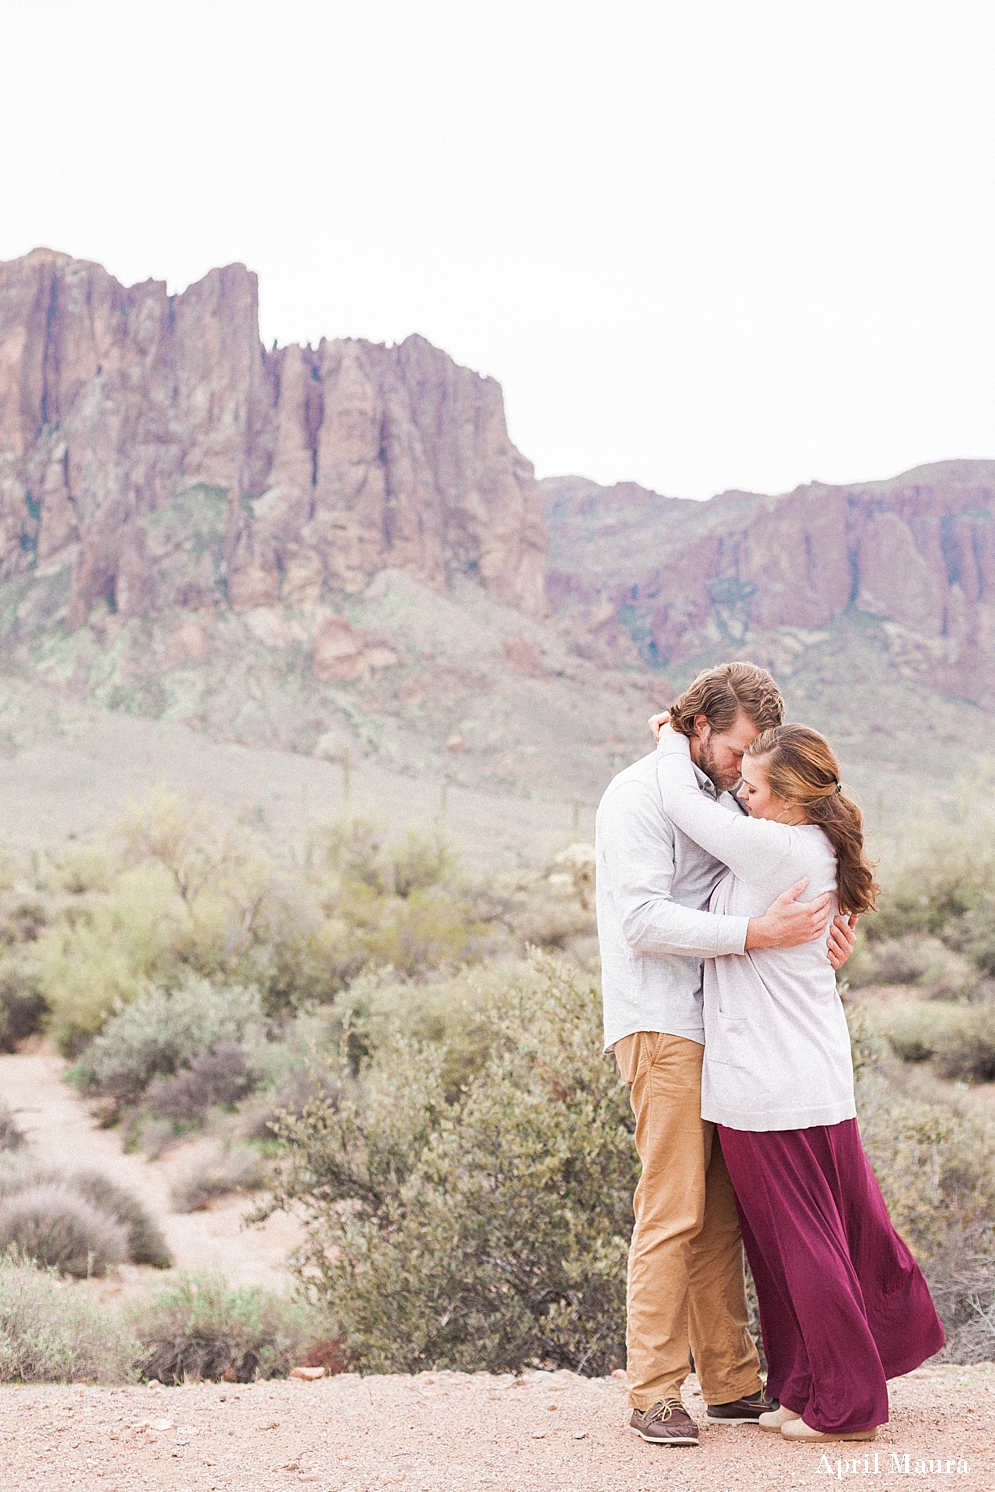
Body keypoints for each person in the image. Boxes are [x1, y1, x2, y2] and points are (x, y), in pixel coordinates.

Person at [653, 718, 944, 1443]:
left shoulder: (779, 846)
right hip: (782, 1077)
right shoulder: (800, 845)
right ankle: (802, 1388)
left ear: (788, 799)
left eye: (751, 787)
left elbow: (684, 807)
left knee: (803, 1245)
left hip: (773, 1085)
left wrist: (667, 737)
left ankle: (847, 1407)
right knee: (785, 1247)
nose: (738, 797)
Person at [596, 662, 857, 1448]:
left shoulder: (716, 792)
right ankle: (651, 1391)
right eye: (736, 747)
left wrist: (815, 940)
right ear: (698, 726)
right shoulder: (640, 796)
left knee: (719, 1217)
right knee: (672, 1208)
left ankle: (732, 1381)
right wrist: (756, 936)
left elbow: (762, 880)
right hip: (662, 1020)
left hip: (724, 1028)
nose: (744, 767)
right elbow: (642, 920)